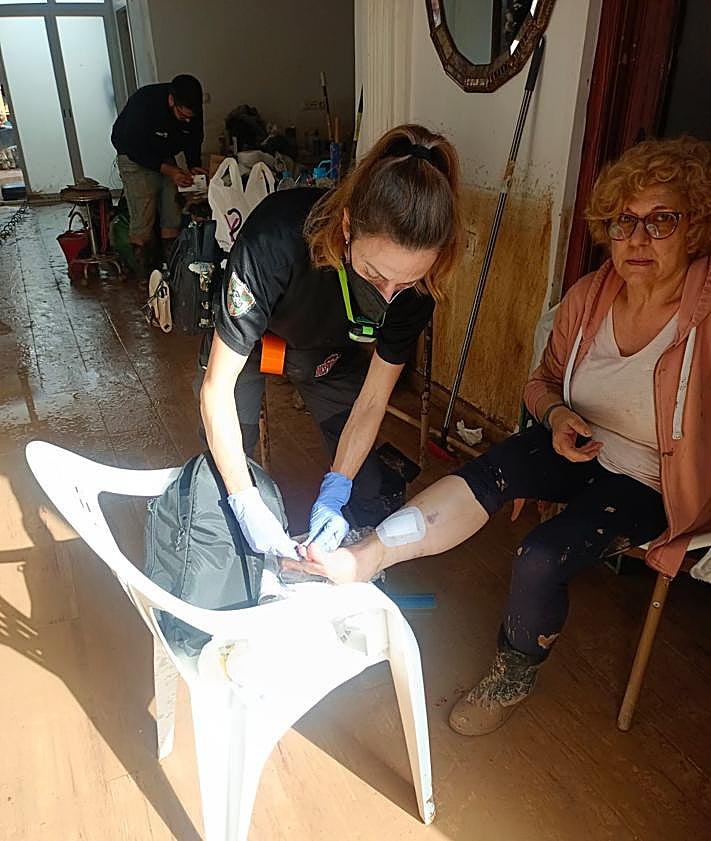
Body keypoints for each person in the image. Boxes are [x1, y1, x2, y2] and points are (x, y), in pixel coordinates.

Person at [284, 135, 711, 735]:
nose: (637, 239)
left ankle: (517, 666)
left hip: (655, 479)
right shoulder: (590, 298)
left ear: (695, 226)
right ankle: (366, 556)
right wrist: (558, 416)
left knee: (540, 555)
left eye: (661, 220)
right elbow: (542, 384)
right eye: (623, 221)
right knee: (491, 470)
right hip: (577, 444)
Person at [199, 124, 463, 561]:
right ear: (346, 227)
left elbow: (374, 399)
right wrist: (245, 503)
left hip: (326, 354)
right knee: (225, 478)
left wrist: (336, 487)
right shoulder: (275, 239)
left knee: (368, 488)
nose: (389, 294)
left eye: (407, 280)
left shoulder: (420, 289)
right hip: (251, 347)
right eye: (375, 274)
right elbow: (216, 389)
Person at [112, 74, 206, 284]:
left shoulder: (191, 108)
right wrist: (170, 170)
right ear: (172, 101)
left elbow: (194, 138)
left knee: (171, 209)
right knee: (144, 213)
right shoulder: (144, 103)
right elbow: (134, 148)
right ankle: (145, 277)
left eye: (191, 116)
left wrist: (193, 166)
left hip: (163, 153)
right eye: (182, 116)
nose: (188, 120)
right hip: (134, 155)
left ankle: (172, 272)